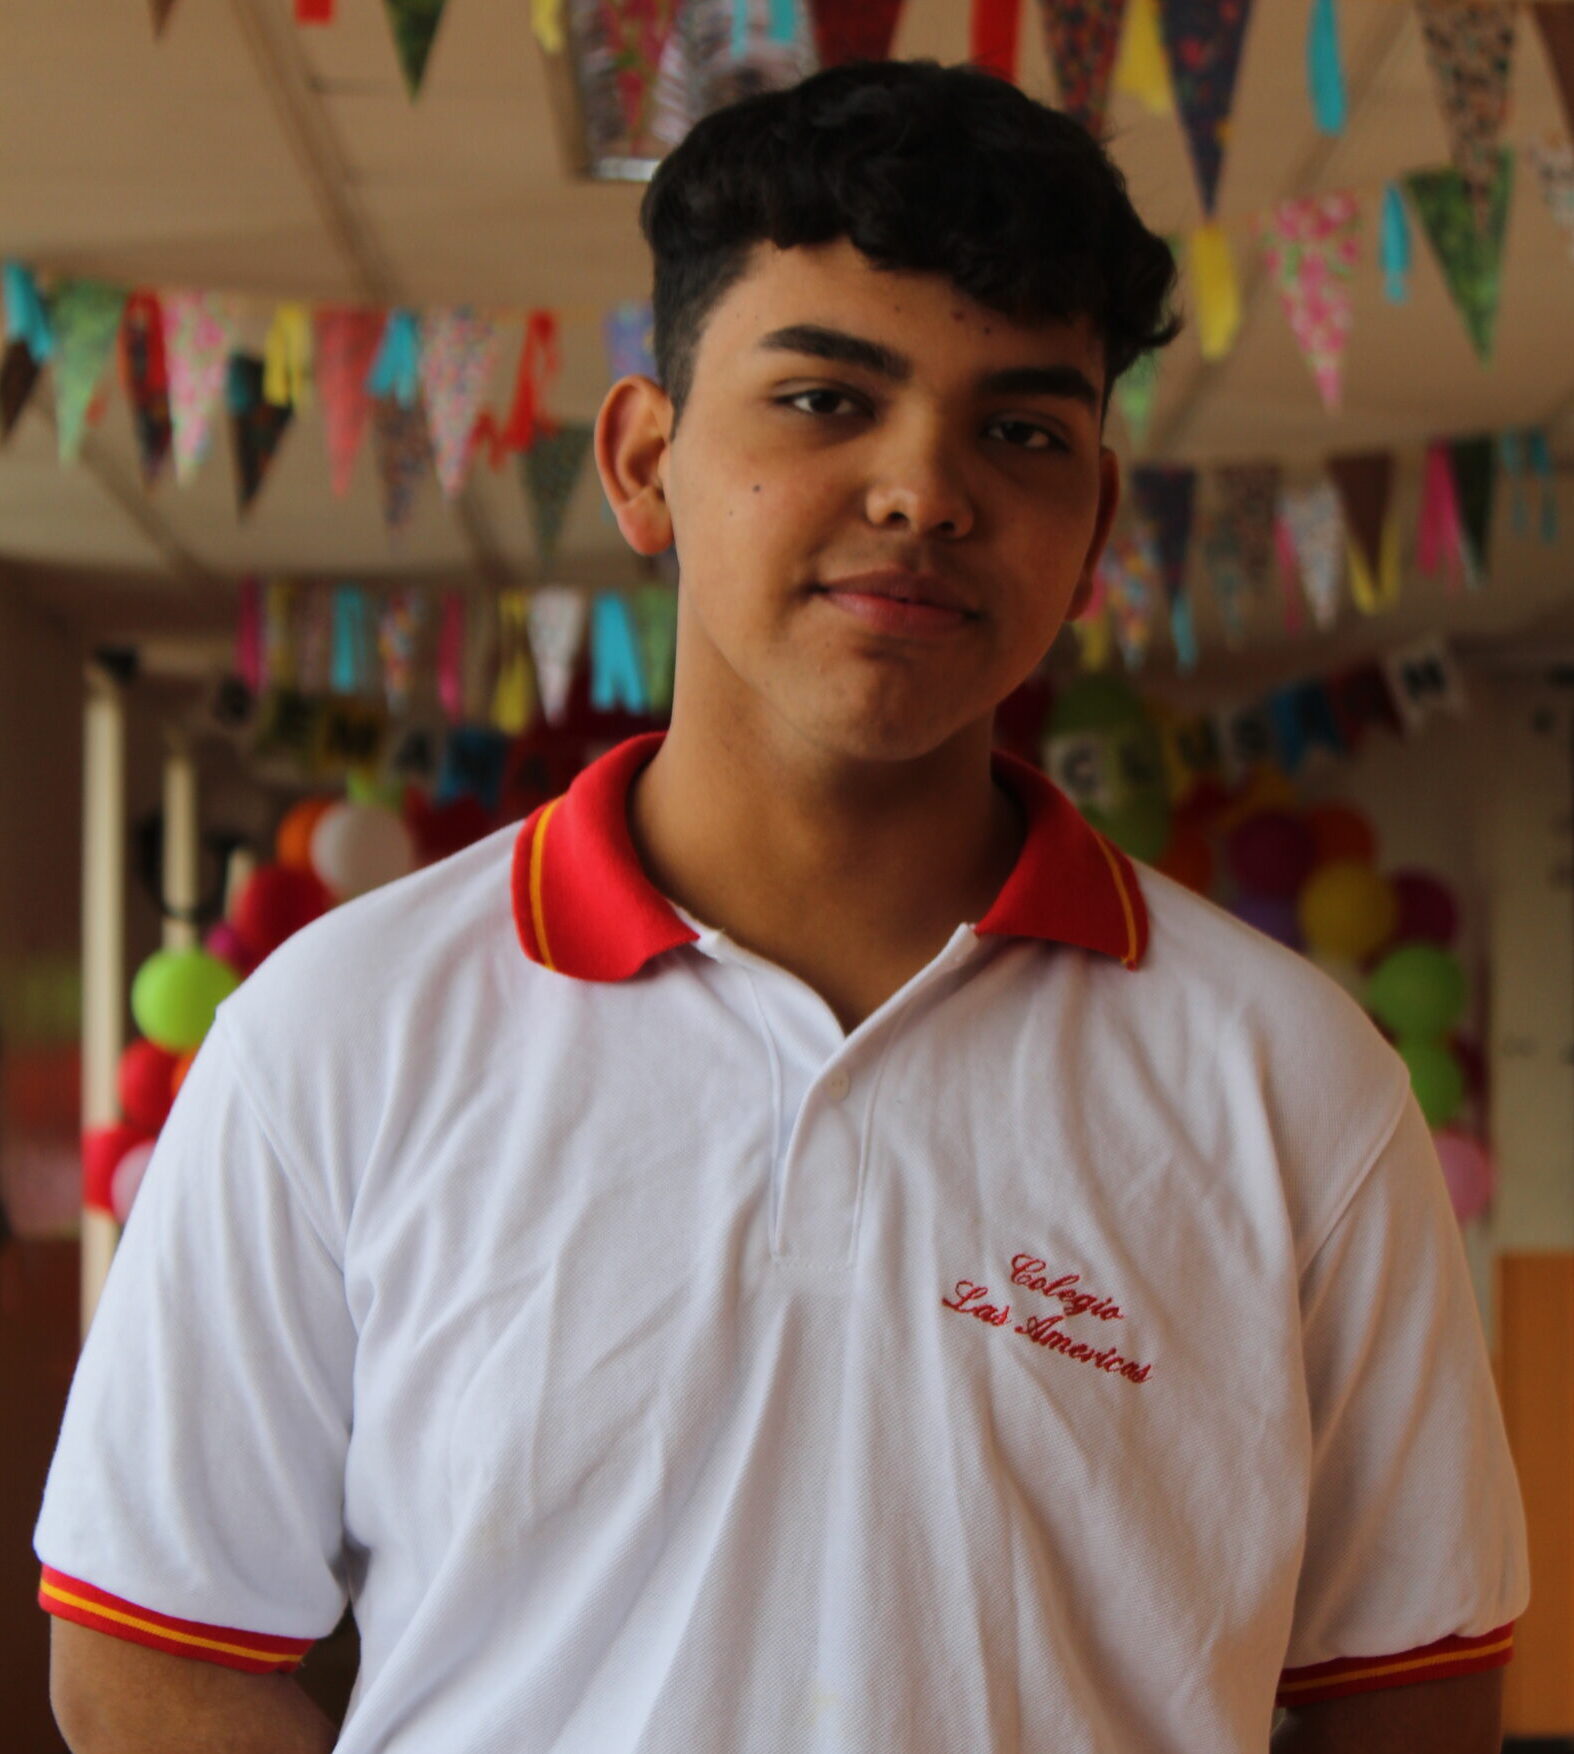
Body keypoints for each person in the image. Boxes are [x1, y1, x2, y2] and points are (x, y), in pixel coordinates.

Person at [38, 59, 1526, 1754]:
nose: (923, 492)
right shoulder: (338, 1033)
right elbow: (150, 1654)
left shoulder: (1293, 1080)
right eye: (824, 399)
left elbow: (1408, 1697)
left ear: (1094, 521)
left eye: (1021, 431)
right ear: (642, 460)